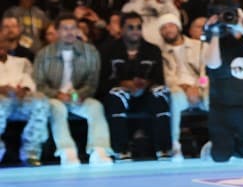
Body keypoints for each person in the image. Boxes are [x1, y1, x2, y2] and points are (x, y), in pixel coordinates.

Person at [33, 13, 114, 165]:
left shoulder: (90, 52)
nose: (70, 32)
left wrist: (77, 95)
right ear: (56, 31)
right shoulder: (43, 54)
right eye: (65, 29)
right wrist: (57, 94)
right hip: (54, 97)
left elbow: (92, 83)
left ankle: (99, 149)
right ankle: (67, 151)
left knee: (96, 107)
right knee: (57, 109)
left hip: (78, 97)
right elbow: (39, 84)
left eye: (73, 28)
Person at [99, 11, 172, 160]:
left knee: (160, 92)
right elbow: (102, 80)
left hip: (145, 94)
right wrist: (124, 83)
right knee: (116, 95)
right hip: (120, 94)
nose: (135, 31)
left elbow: (159, 79)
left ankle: (164, 148)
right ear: (122, 29)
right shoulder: (108, 49)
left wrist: (146, 84)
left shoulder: (152, 50)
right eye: (130, 27)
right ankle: (121, 149)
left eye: (138, 27)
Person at [202, 8, 243, 162]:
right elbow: (212, 64)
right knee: (220, 157)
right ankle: (216, 146)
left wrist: (242, 28)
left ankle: (237, 147)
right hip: (222, 109)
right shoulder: (217, 42)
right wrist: (214, 33)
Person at [158, 13, 206, 162]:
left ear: (178, 27)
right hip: (178, 88)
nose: (168, 30)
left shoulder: (199, 46)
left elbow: (206, 72)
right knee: (174, 98)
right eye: (164, 28)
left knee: (215, 96)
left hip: (201, 87)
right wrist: (185, 88)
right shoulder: (161, 52)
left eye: (170, 25)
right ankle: (174, 144)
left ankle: (223, 141)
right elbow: (167, 78)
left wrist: (198, 86)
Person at [0, 40, 49, 166]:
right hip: (1, 102)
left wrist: (25, 89)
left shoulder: (22, 62)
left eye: (2, 43)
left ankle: (31, 151)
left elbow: (30, 80)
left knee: (41, 101)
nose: (1, 46)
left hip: (20, 100)